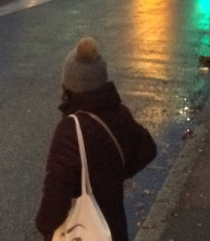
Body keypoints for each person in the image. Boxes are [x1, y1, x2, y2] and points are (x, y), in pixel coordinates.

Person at [36, 37, 157, 241]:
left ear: (69, 85)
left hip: (83, 231)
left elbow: (56, 197)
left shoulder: (70, 130)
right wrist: (115, 174)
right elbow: (147, 150)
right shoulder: (119, 113)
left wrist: (44, 227)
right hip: (112, 227)